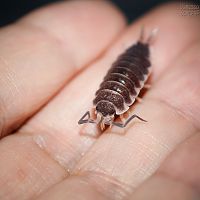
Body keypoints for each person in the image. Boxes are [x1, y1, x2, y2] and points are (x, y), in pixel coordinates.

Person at [0, 1, 199, 199]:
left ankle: (144, 43)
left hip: (135, 62)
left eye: (105, 113)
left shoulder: (122, 97)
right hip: (129, 66)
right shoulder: (106, 103)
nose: (103, 117)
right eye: (101, 113)